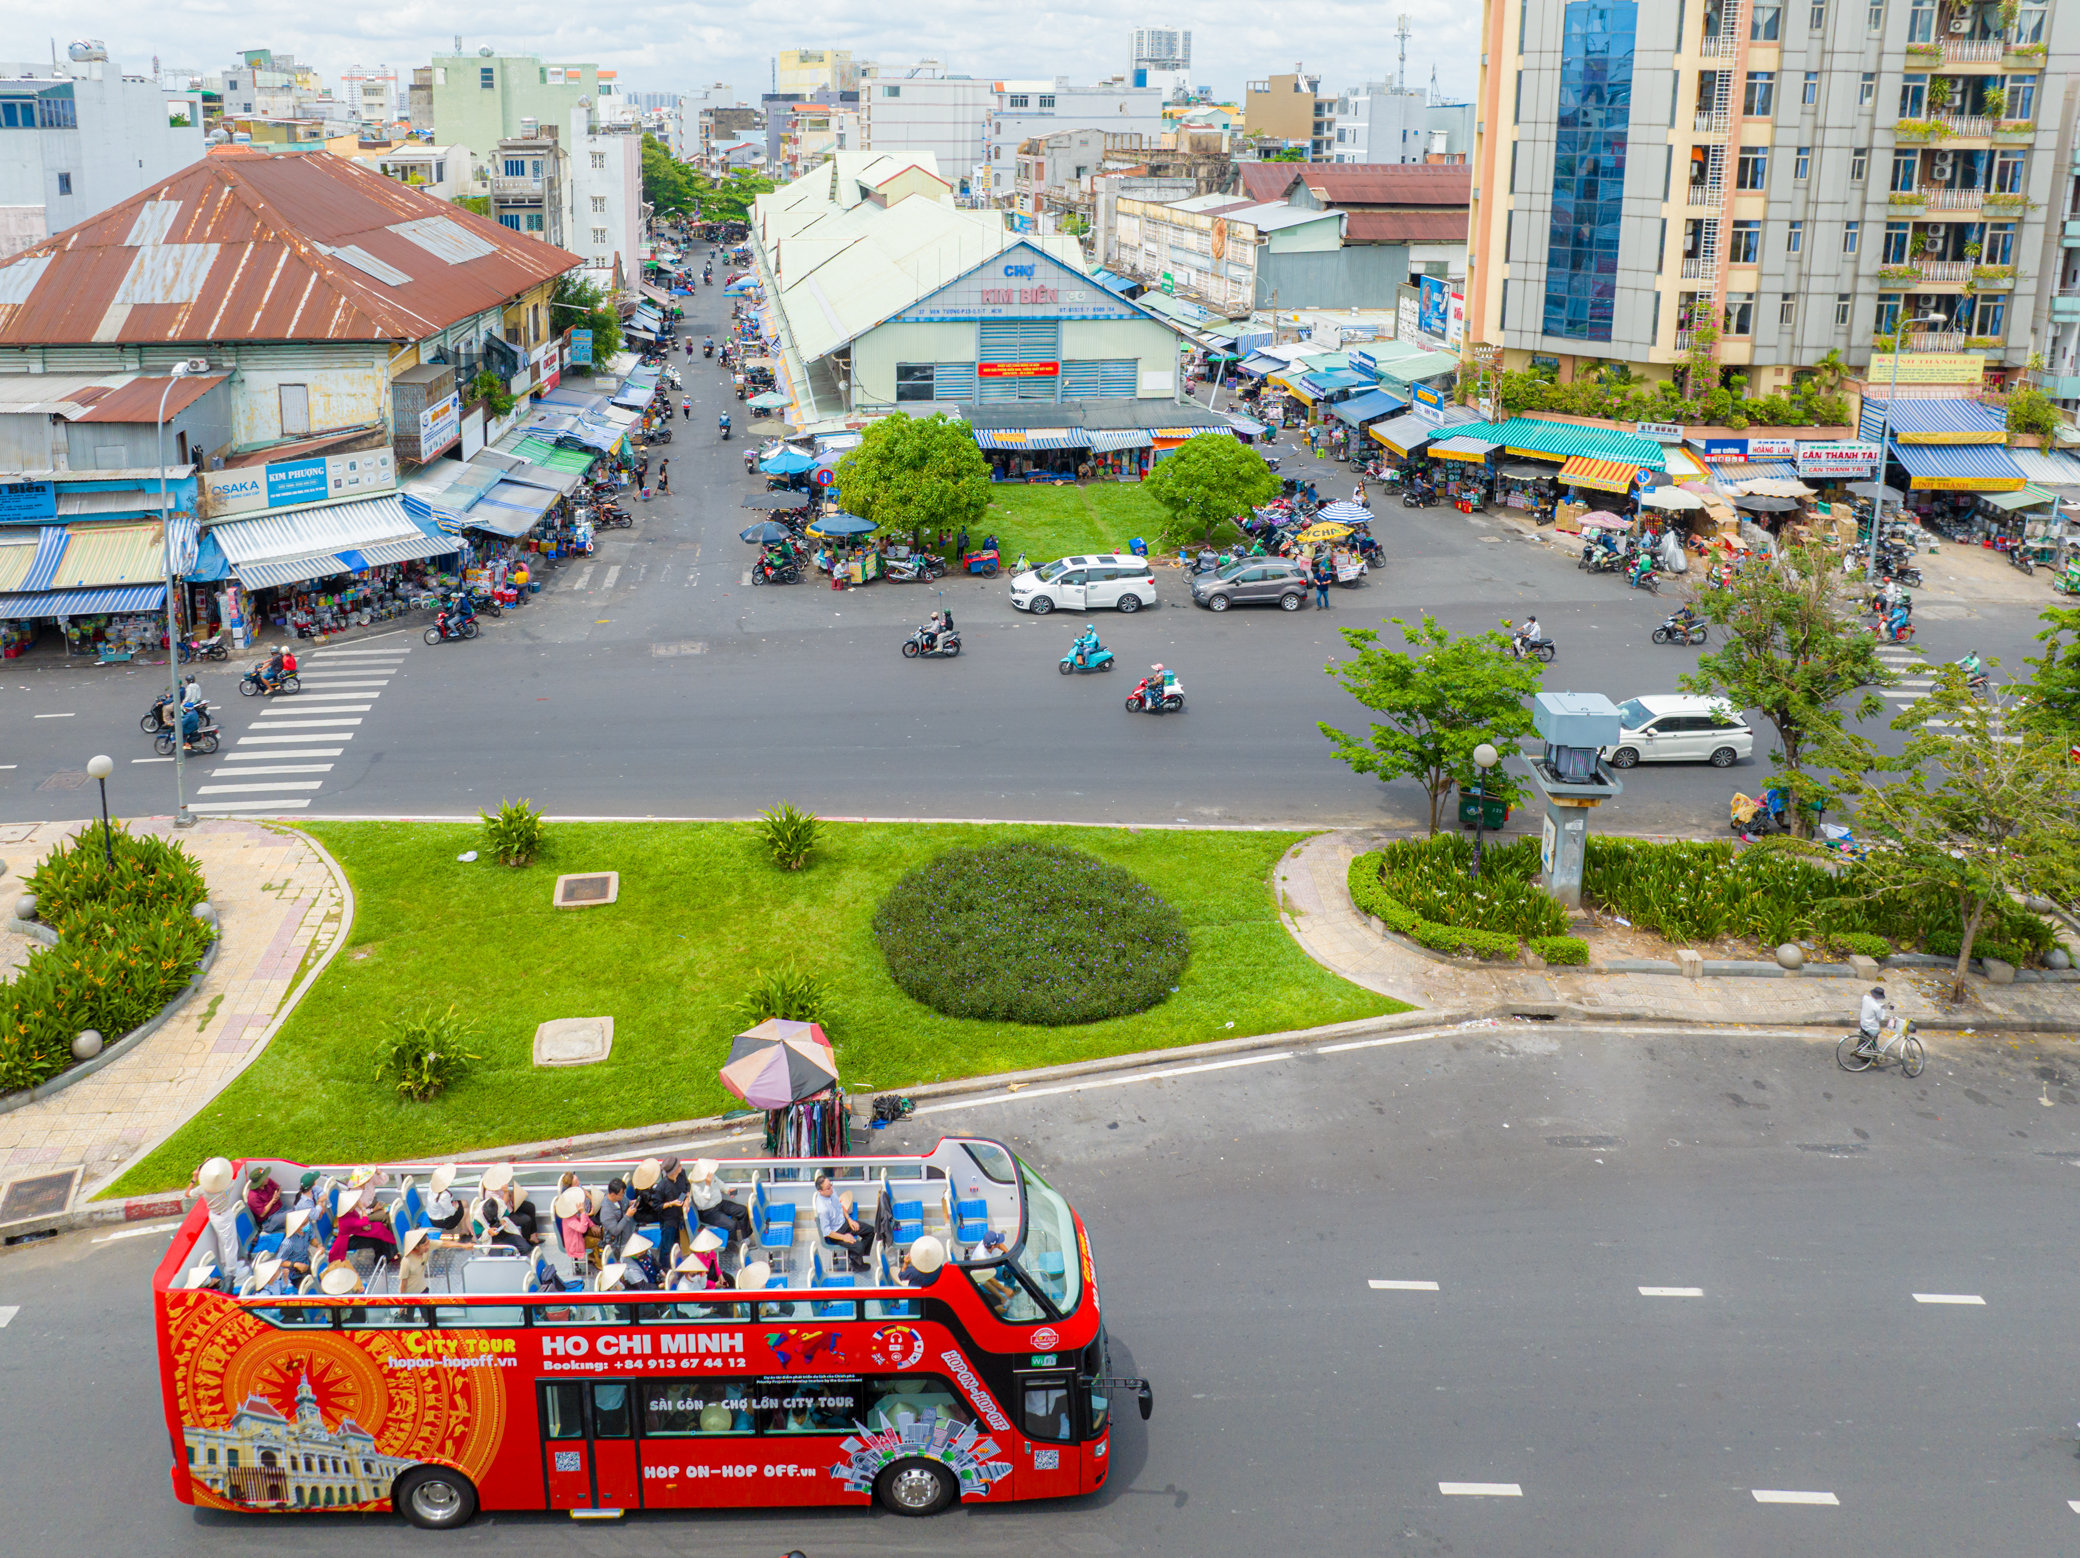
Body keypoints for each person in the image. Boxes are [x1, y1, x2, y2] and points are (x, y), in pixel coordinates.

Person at [813, 1172, 872, 1272]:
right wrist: (844, 1237)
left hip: (844, 1223)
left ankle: (855, 1255)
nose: (831, 1188)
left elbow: (840, 1206)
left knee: (870, 1231)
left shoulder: (831, 1192)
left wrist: (849, 1219)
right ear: (820, 1191)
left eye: (830, 1185)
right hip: (836, 1233)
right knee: (859, 1246)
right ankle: (856, 1261)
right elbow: (827, 1232)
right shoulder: (823, 1209)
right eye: (828, 1188)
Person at [688, 1159, 752, 1245]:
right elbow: (701, 1204)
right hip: (708, 1212)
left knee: (743, 1210)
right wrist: (707, 1185)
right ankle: (730, 1243)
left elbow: (719, 1183)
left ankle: (745, 1236)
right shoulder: (695, 1185)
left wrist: (728, 1190)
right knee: (731, 1225)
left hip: (719, 1203)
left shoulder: (711, 1175)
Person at [328, 1187, 397, 1262]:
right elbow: (365, 1221)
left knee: (379, 1228)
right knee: (376, 1241)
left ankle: (389, 1254)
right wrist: (363, 1208)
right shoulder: (346, 1219)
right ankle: (381, 1260)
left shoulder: (350, 1212)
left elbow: (359, 1222)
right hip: (349, 1240)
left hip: (355, 1233)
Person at [598, 1176, 636, 1259]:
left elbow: (624, 1201)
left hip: (627, 1235)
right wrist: (627, 1215)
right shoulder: (606, 1212)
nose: (623, 1196)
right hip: (618, 1244)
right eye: (621, 1194)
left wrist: (630, 1203)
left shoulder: (618, 1199)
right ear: (613, 1195)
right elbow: (615, 1230)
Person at [245, 1164, 287, 1235]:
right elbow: (262, 1213)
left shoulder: (268, 1182)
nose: (267, 1177)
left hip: (280, 1208)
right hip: (269, 1220)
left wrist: (277, 1194)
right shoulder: (253, 1197)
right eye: (264, 1177)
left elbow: (278, 1188)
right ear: (259, 1182)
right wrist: (273, 1200)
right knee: (293, 1215)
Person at [1857, 986, 1890, 1056]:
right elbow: (1881, 1018)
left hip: (1863, 1023)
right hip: (1871, 1027)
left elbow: (1872, 1004)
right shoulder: (1877, 1007)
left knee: (1863, 1039)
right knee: (1871, 1043)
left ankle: (1860, 1050)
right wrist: (1883, 1009)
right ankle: (1867, 1057)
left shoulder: (1865, 998)